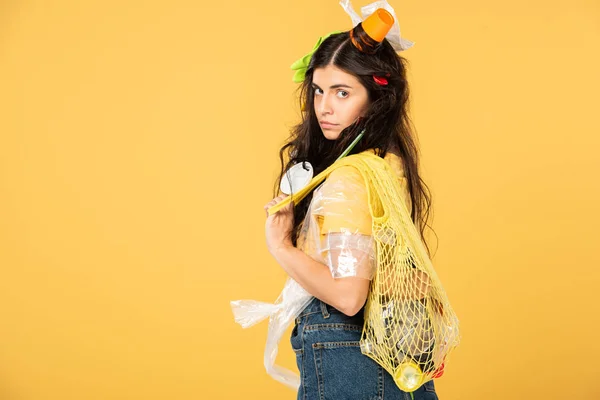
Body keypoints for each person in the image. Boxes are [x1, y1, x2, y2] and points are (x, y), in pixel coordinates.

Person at [262, 2, 441, 399]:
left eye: (342, 93)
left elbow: (348, 296)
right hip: (389, 360)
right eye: (319, 91)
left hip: (350, 355)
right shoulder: (387, 165)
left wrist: (282, 246)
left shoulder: (350, 178)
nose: (324, 107)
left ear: (375, 98)